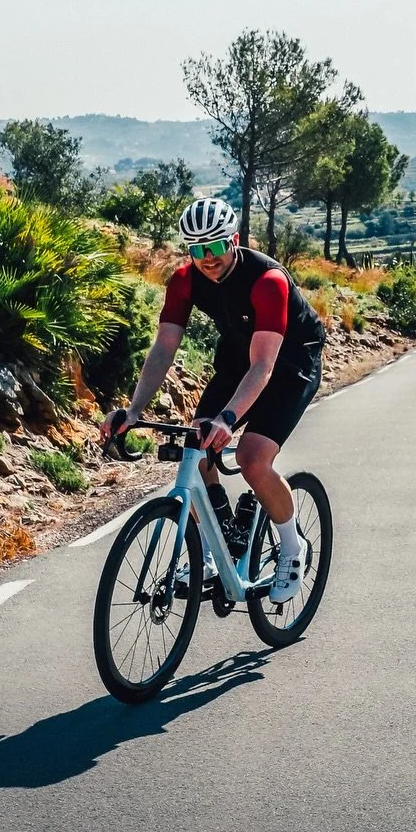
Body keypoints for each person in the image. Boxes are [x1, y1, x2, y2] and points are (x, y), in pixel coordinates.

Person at [100, 197, 326, 605]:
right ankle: (214, 539)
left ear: (234, 240)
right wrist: (133, 411)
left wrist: (228, 418)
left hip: (290, 362)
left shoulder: (267, 281)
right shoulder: (185, 279)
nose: (207, 258)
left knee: (253, 459)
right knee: (196, 447)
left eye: (216, 246)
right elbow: (164, 346)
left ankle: (293, 548)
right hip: (240, 357)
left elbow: (265, 366)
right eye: (197, 249)